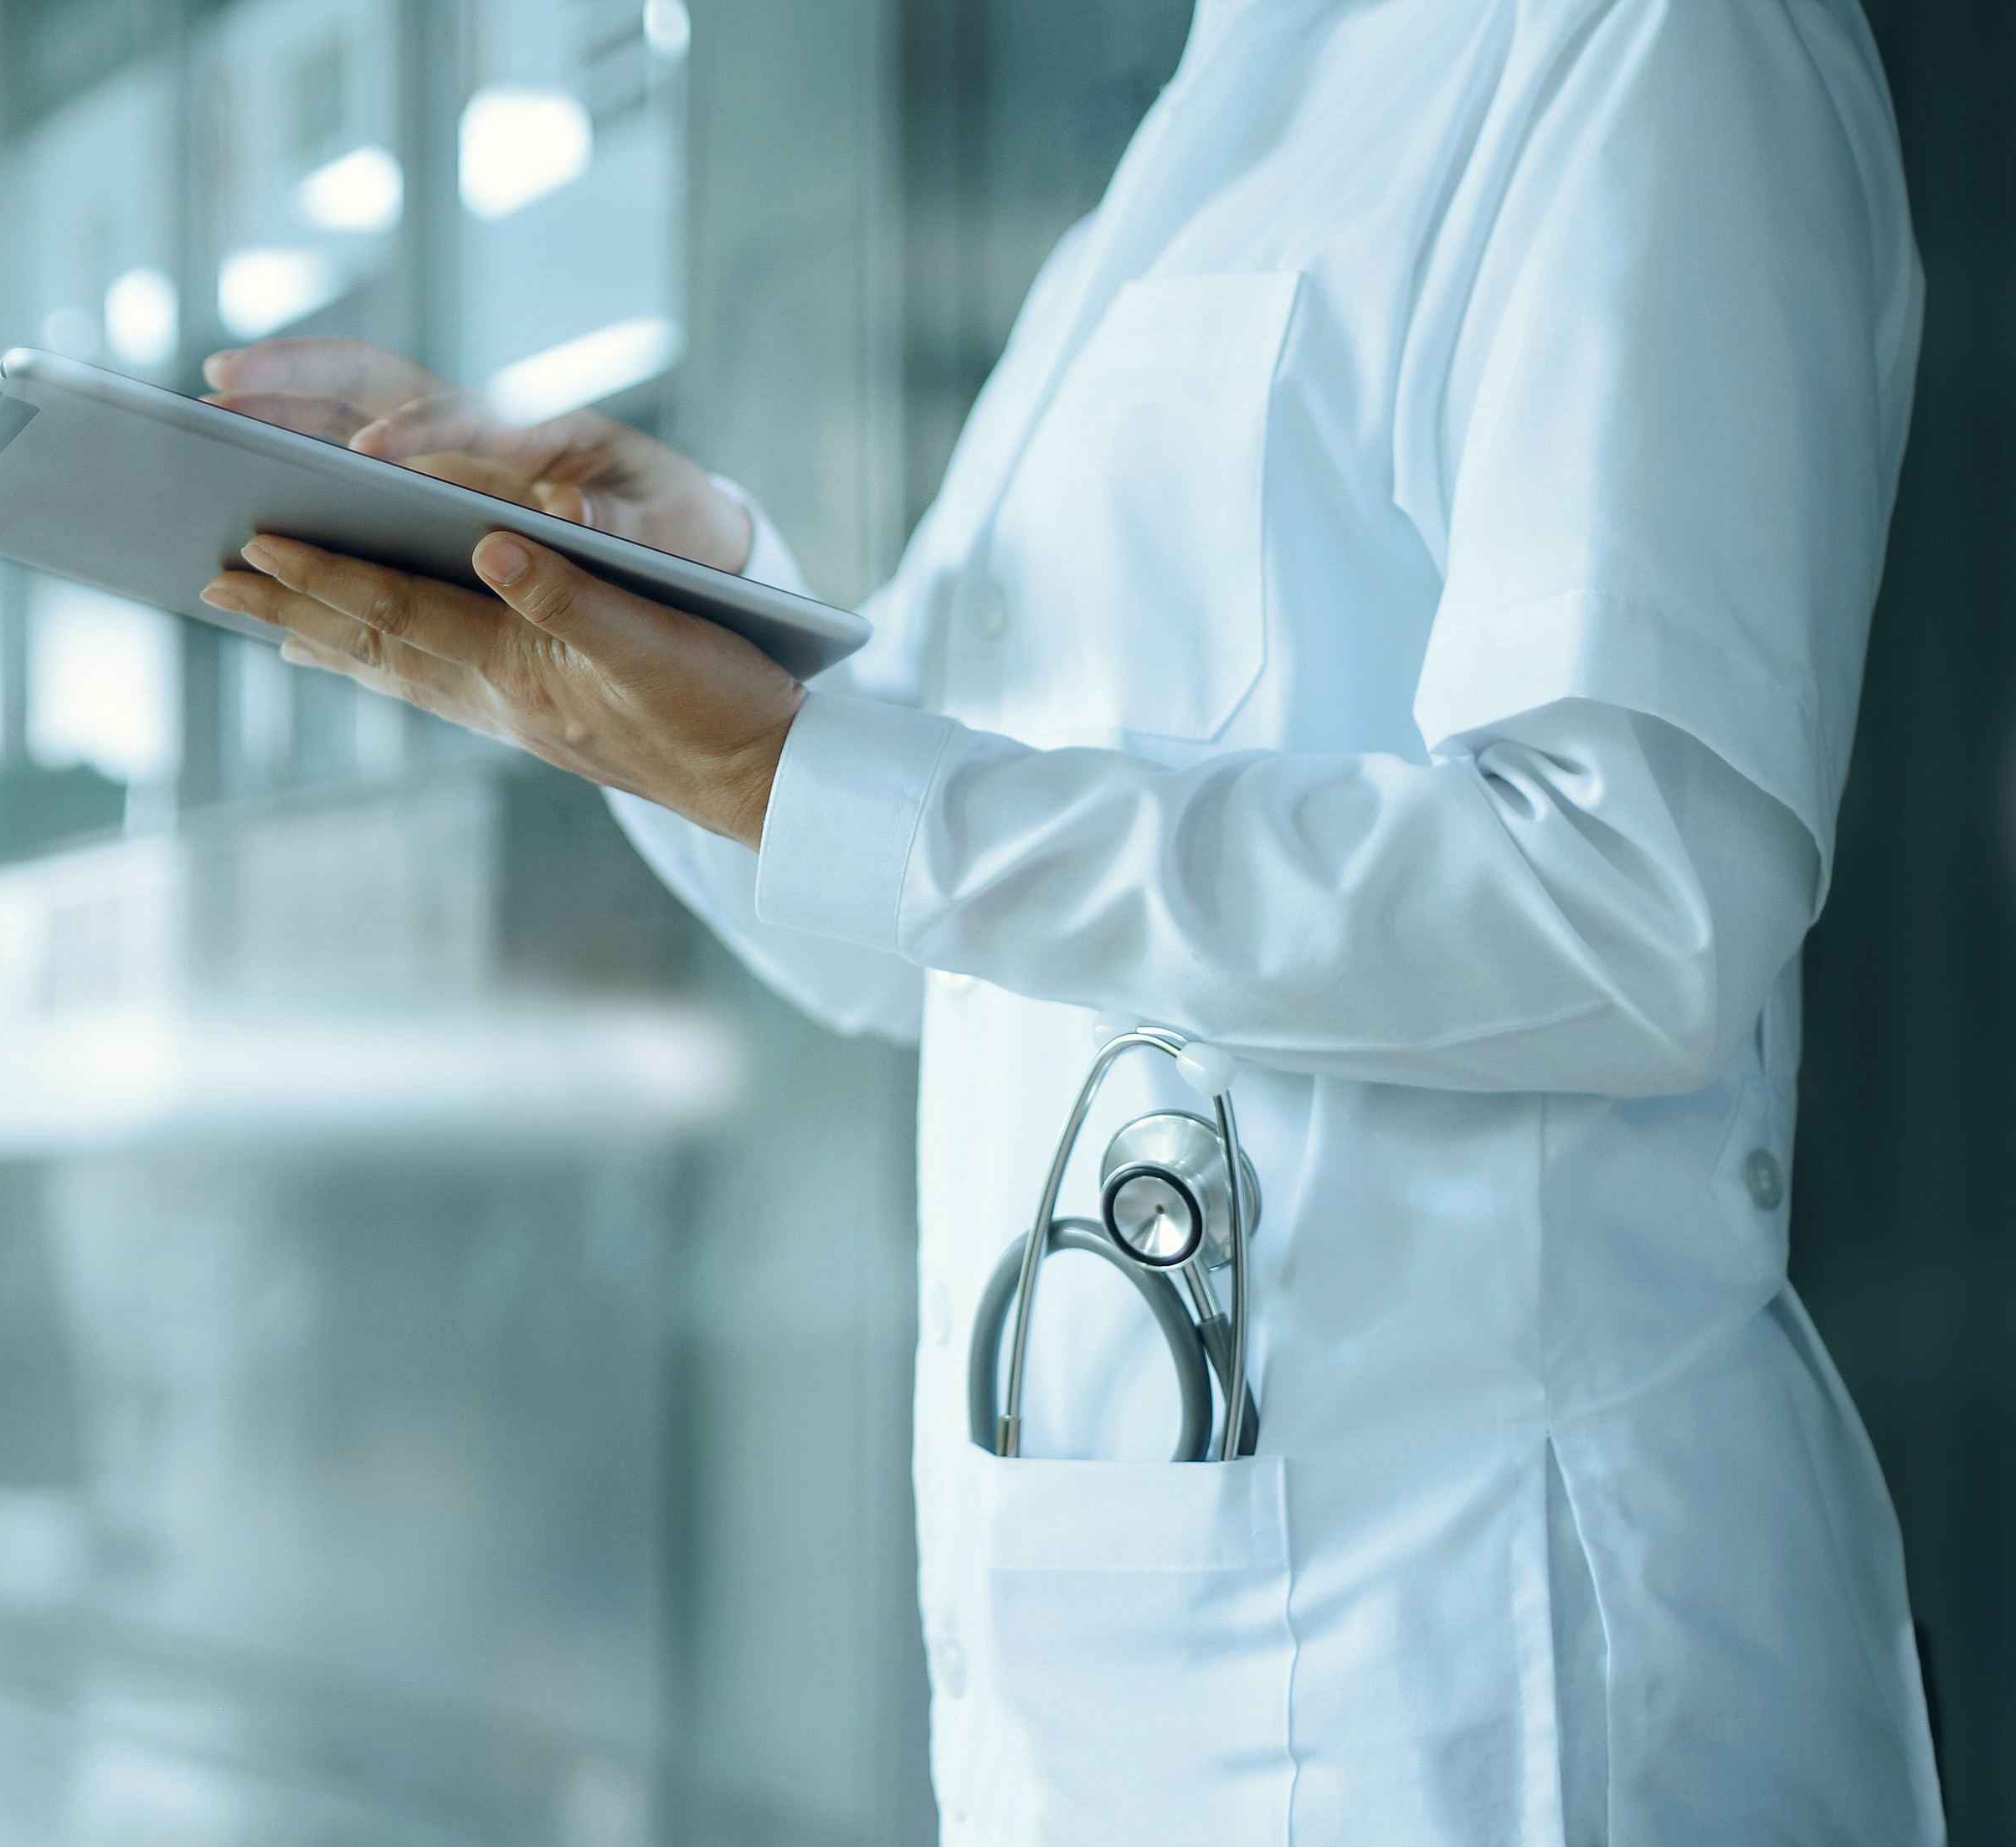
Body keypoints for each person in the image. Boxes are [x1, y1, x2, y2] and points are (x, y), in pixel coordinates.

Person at [196, 1, 1936, 1840]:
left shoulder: (1641, 44)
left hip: (1472, 1684)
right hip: (1104, 1709)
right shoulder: (1198, 133)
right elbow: (902, 931)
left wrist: (814, 780)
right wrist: (670, 641)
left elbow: (1627, 906)